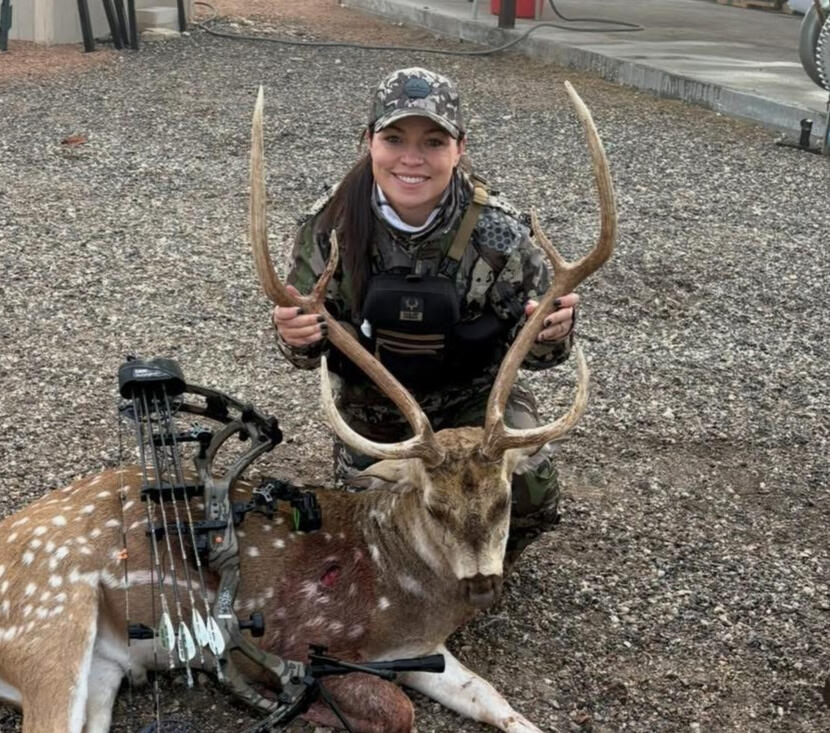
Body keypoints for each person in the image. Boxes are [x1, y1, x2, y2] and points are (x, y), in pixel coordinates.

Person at [271, 67, 579, 560]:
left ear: (459, 149)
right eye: (394, 139)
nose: (411, 159)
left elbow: (541, 355)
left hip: (473, 405)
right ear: (369, 141)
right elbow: (308, 353)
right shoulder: (328, 228)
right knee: (368, 511)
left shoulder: (501, 233)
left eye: (433, 142)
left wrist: (551, 335)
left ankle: (482, 565)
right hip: (377, 409)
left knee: (529, 492)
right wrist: (297, 336)